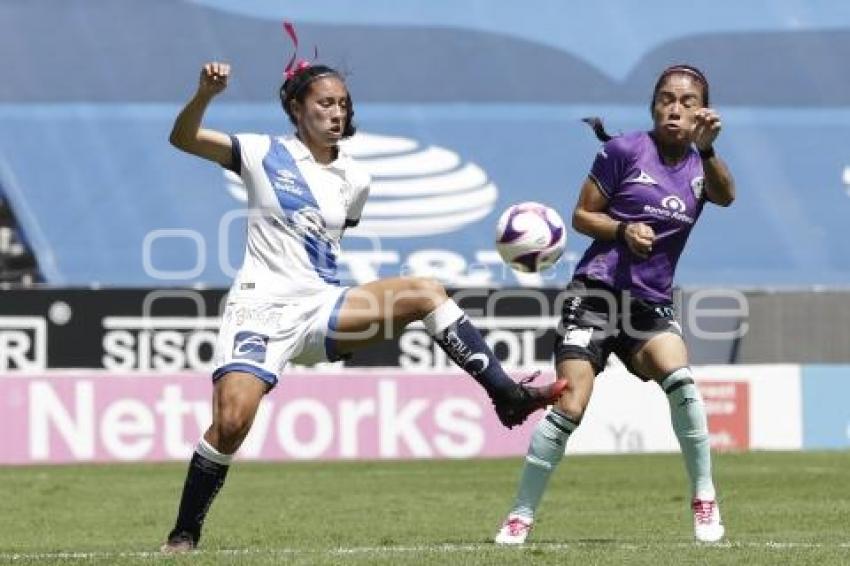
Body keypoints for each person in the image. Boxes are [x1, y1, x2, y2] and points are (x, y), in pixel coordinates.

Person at [160, 60, 569, 552]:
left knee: (424, 290)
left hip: (323, 306)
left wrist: (349, 321)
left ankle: (507, 394)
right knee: (231, 424)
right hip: (260, 308)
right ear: (296, 108)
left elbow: (329, 247)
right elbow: (183, 138)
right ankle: (185, 534)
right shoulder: (261, 151)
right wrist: (204, 95)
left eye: (343, 105)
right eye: (325, 103)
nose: (337, 113)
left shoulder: (356, 178)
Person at [494, 64, 735, 544]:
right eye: (666, 98)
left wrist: (707, 149)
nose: (675, 108)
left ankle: (704, 496)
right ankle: (520, 514)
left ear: (702, 113)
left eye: (688, 102)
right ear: (653, 106)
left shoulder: (700, 166)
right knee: (570, 403)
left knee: (681, 379)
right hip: (595, 294)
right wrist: (623, 230)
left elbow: (727, 196)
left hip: (649, 304)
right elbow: (582, 215)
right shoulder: (625, 151)